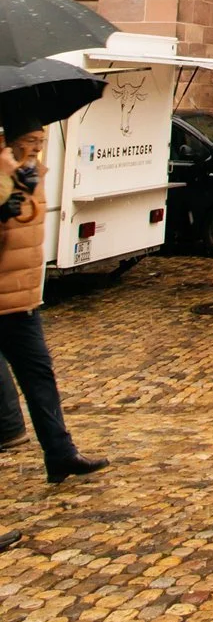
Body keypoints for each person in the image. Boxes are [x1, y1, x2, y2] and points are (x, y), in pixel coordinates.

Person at [0, 133, 107, 487]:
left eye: (42, 138)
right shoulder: (5, 171)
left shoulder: (32, 172)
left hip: (22, 300)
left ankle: (60, 453)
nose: (38, 145)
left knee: (40, 377)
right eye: (32, 139)